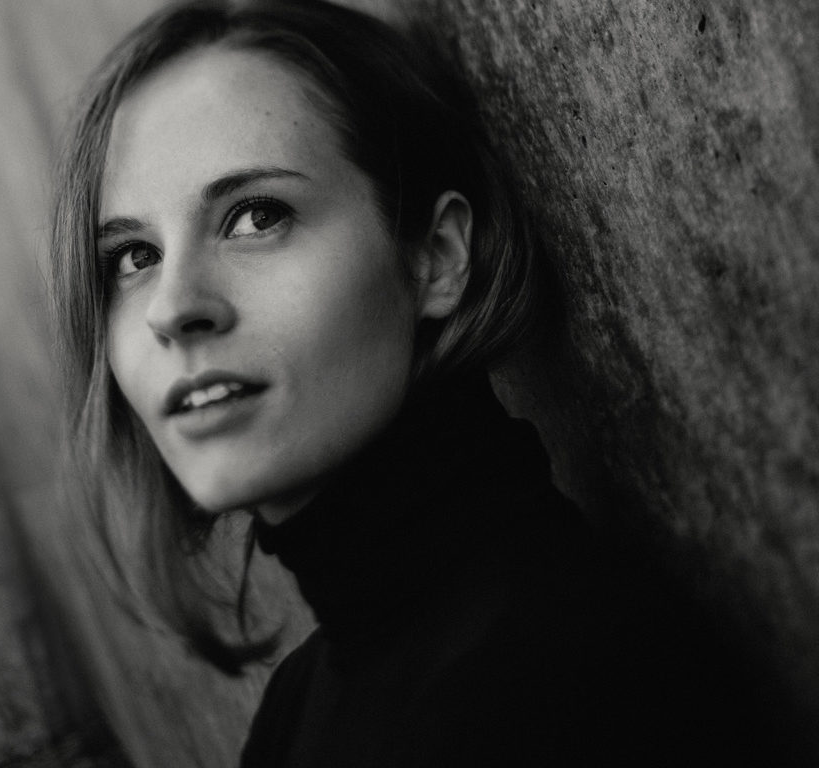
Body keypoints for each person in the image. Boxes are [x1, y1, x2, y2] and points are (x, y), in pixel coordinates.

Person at [49, 1, 786, 764]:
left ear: (436, 257)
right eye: (133, 258)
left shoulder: (563, 671)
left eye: (256, 217)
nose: (172, 308)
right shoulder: (299, 706)